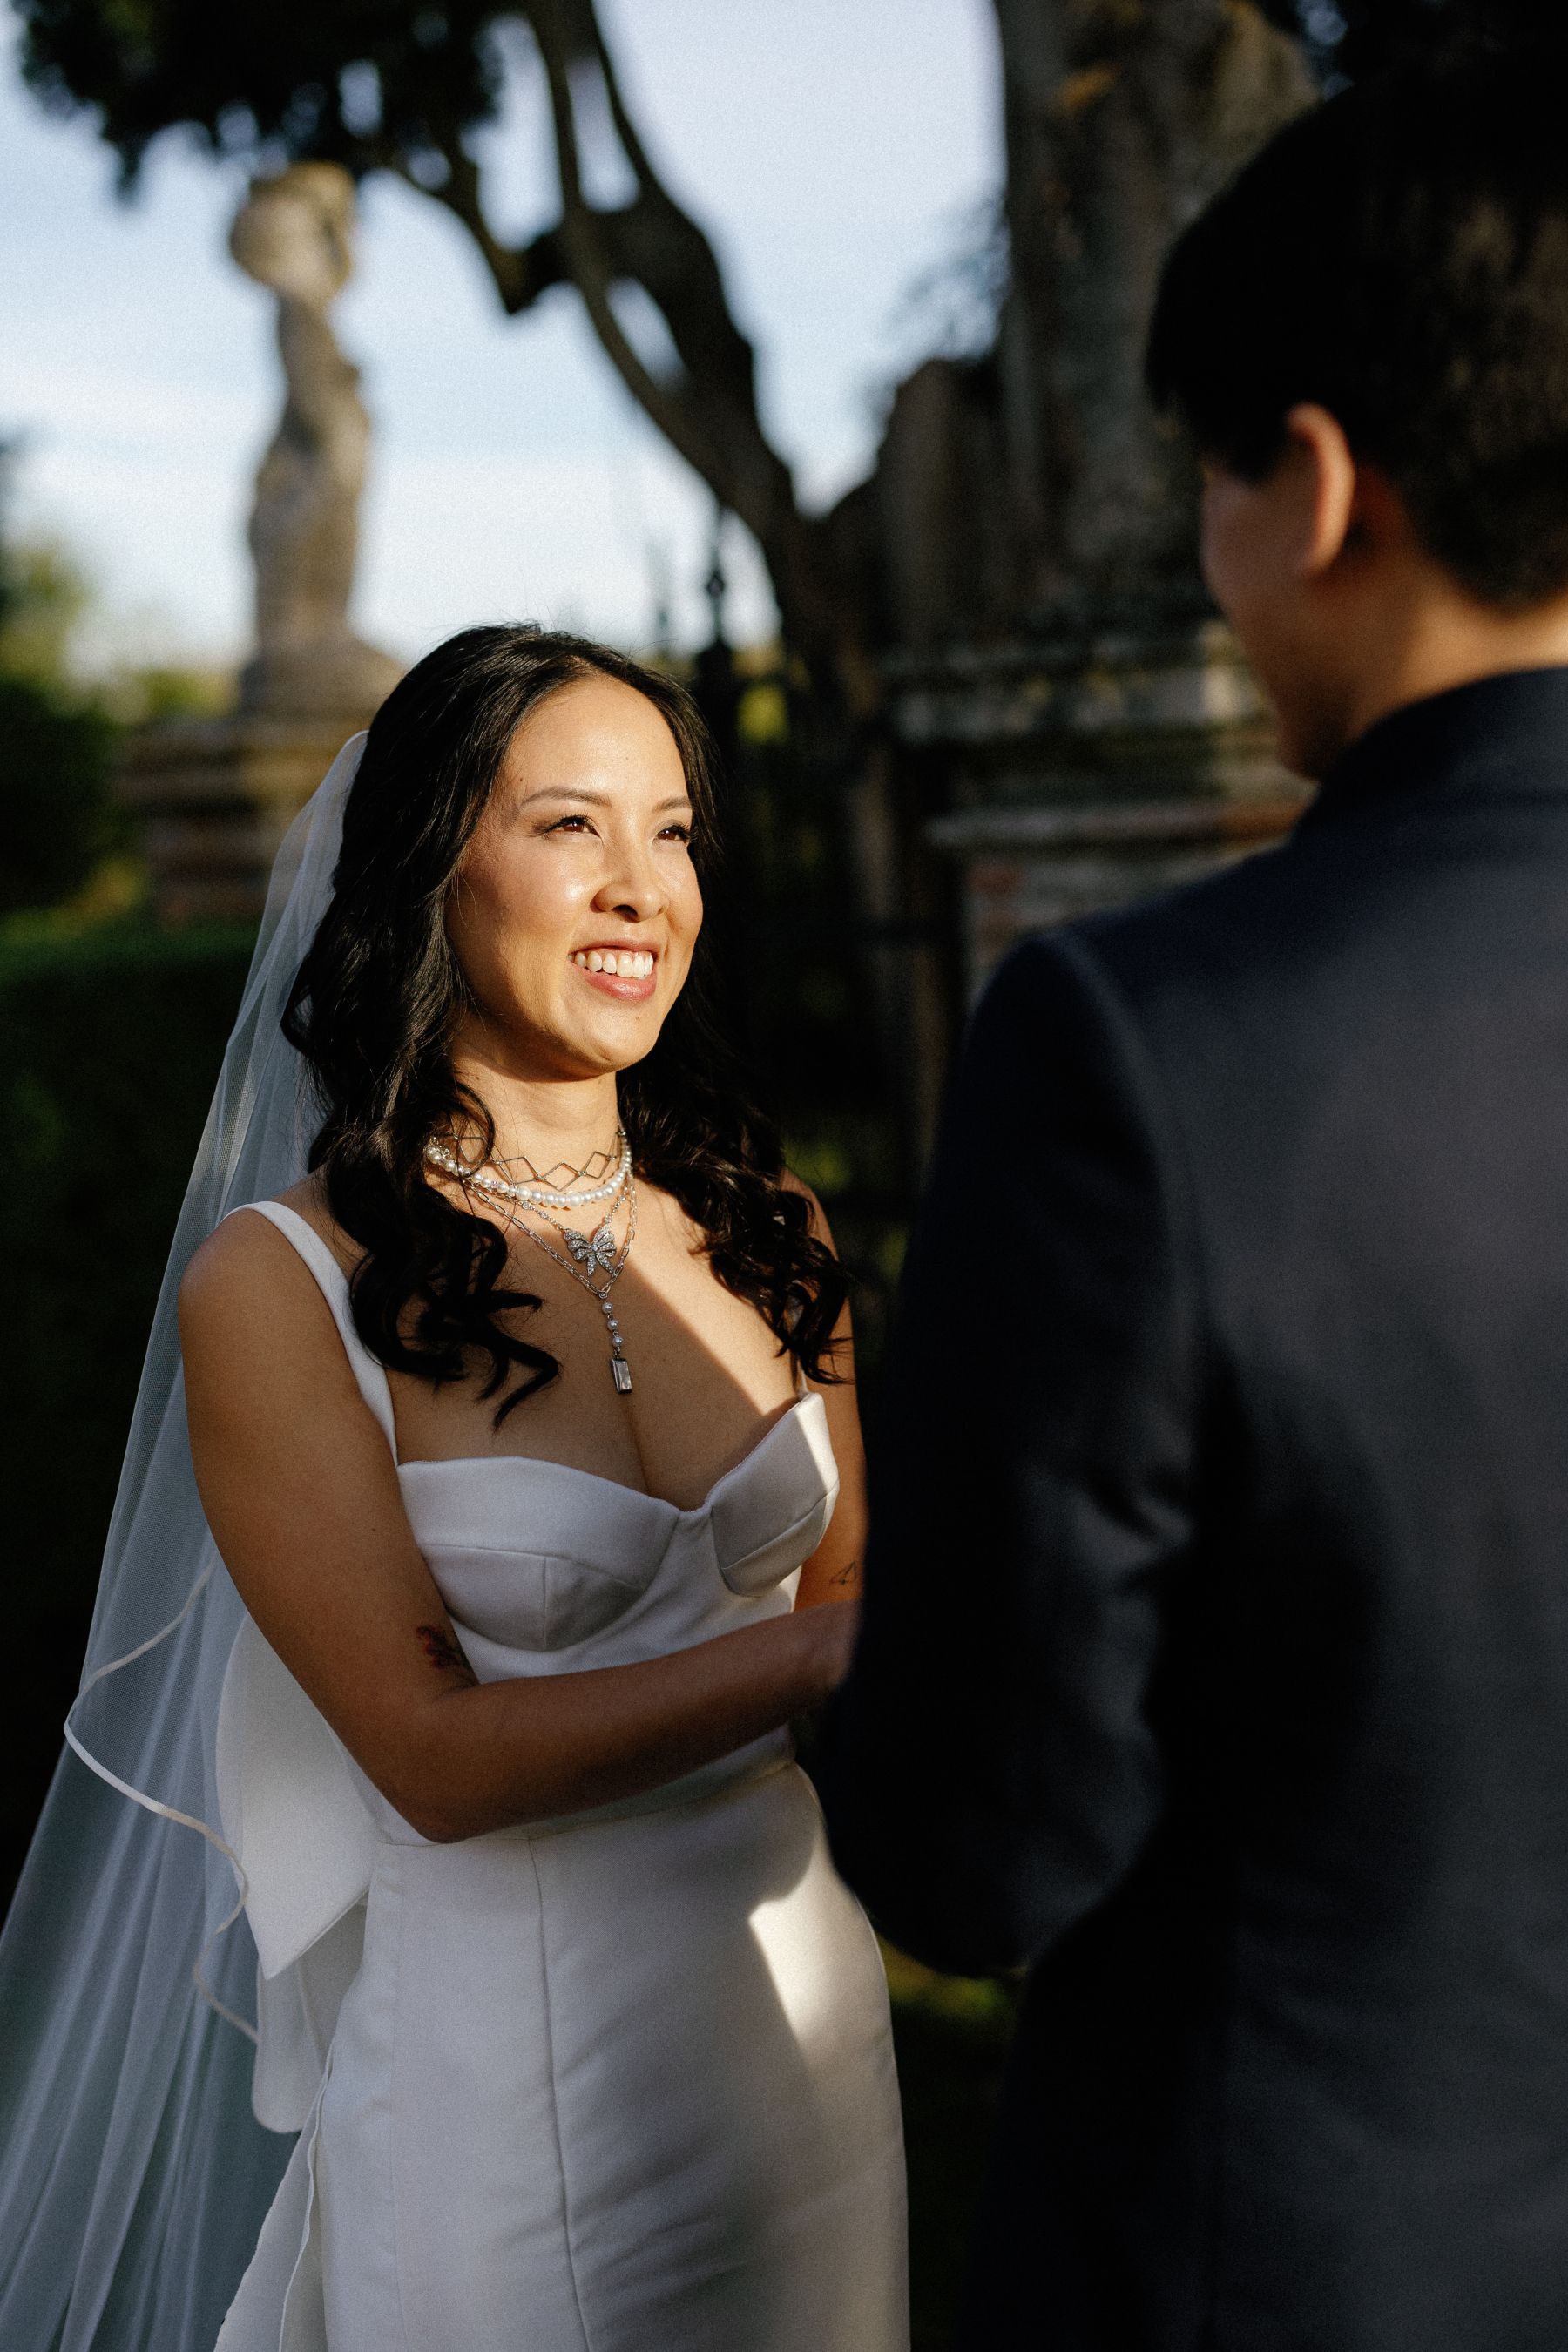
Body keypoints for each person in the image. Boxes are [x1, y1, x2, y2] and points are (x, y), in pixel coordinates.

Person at [820, 46, 1568, 2352]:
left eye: (1208, 481)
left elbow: (973, 1839)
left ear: (1317, 483)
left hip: (1296, 2267)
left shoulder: (1141, 1050)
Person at [0, 626, 907, 2351]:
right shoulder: (281, 1287)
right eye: (571, 827)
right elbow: (429, 1757)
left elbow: (853, 1580)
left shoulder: (773, 1222)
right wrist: (817, 1663)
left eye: (675, 832)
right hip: (509, 2077)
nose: (641, 889)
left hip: (800, 2022)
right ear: (431, 866)